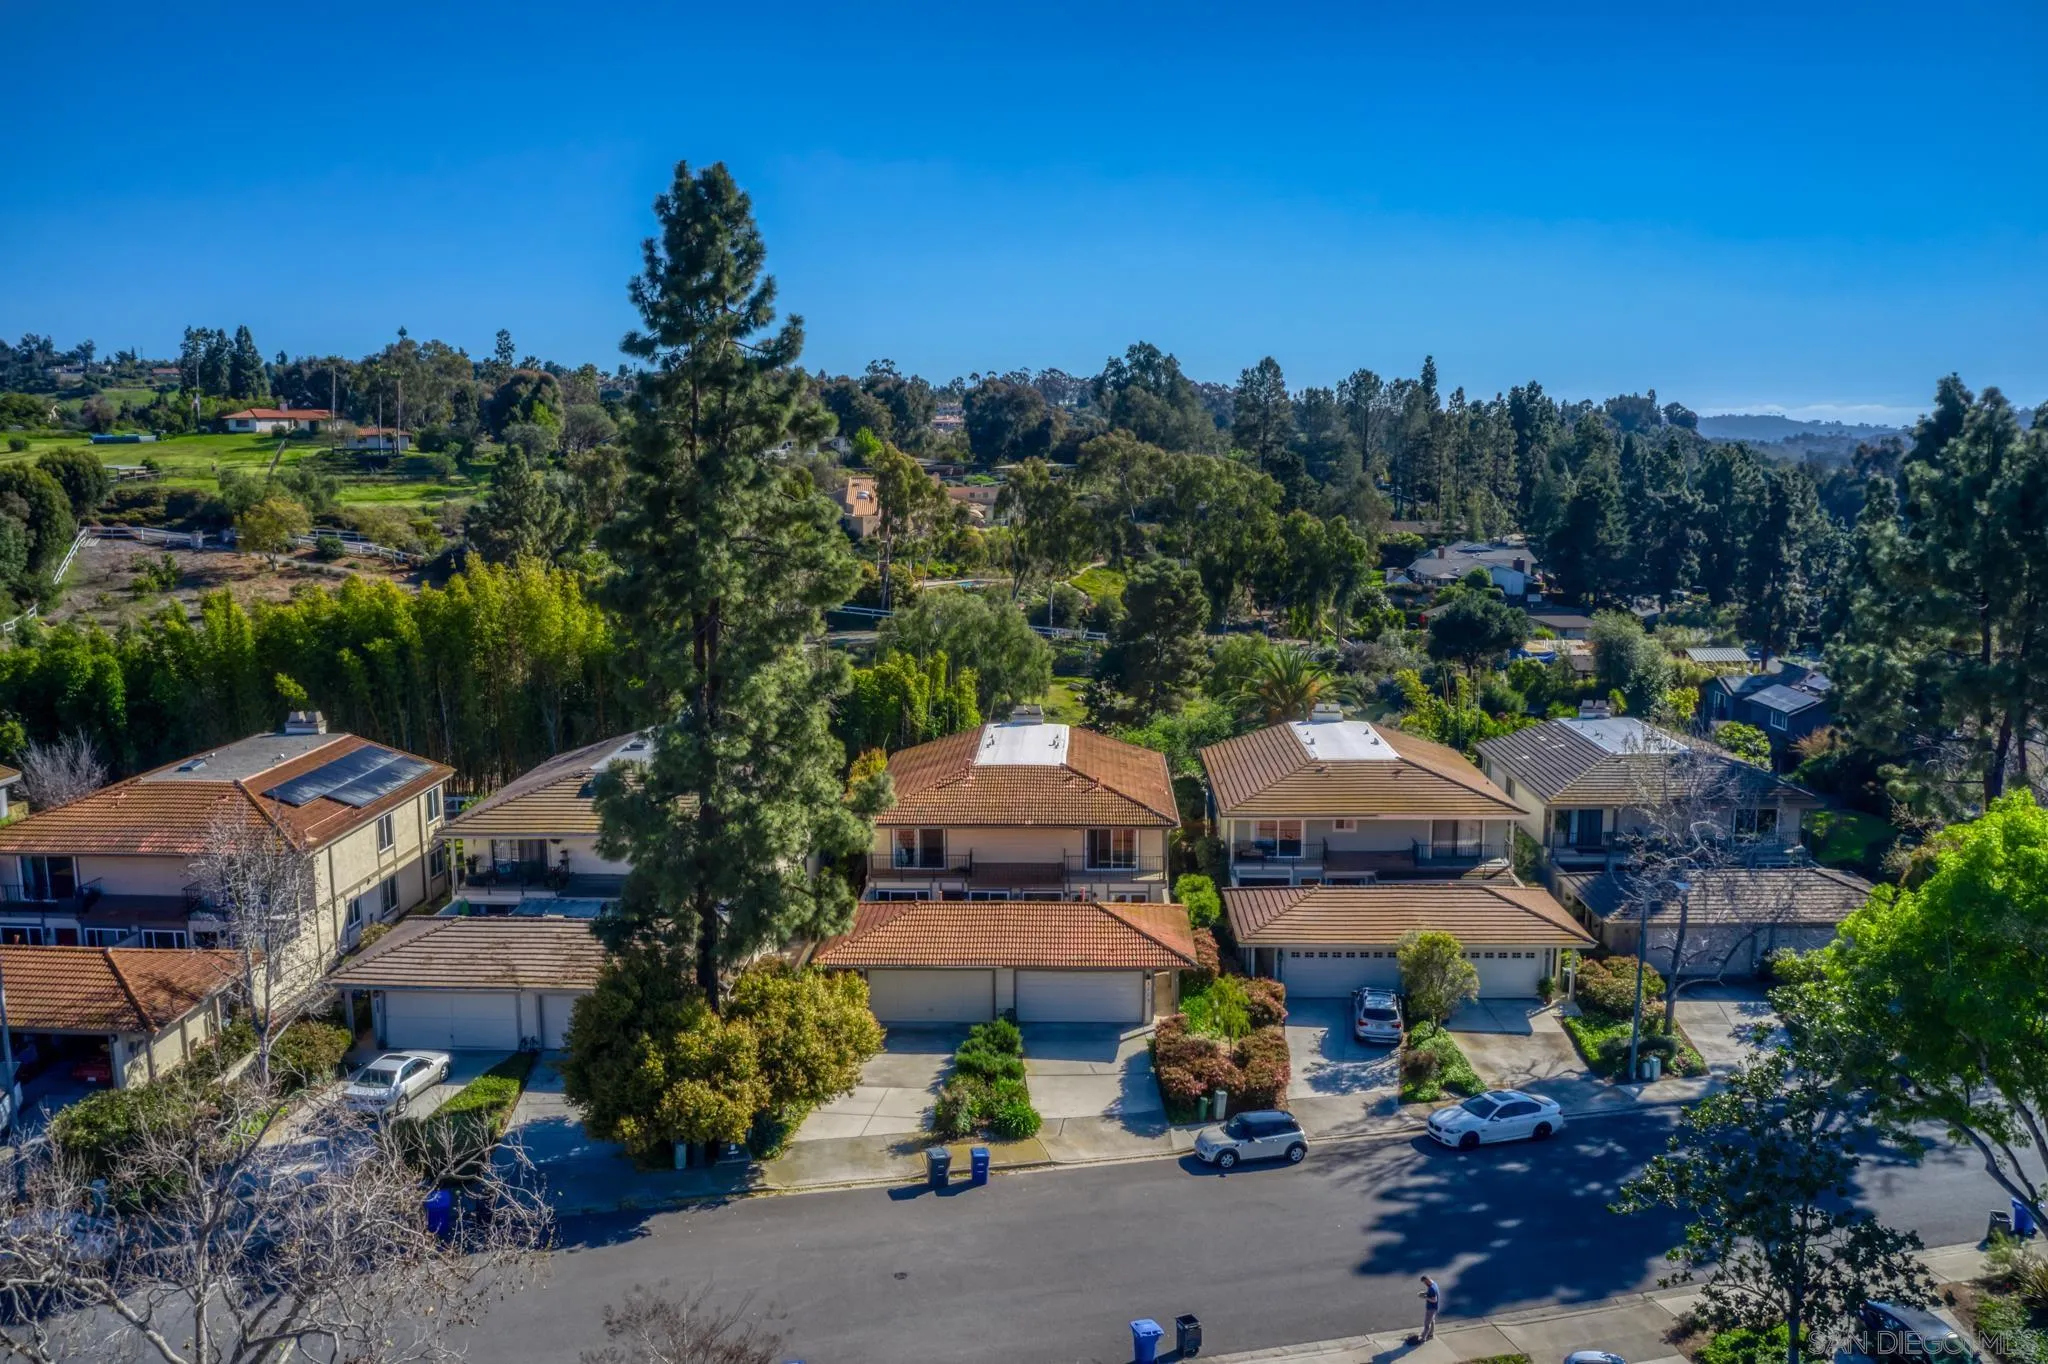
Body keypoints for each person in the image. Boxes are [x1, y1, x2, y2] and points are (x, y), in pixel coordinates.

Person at [1419, 1275, 1441, 1341]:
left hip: (1431, 1309)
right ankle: (1431, 1334)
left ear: (1427, 1280)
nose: (1425, 1284)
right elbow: (1432, 1294)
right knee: (1432, 1321)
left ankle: (1423, 1338)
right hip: (1435, 1308)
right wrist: (1425, 1293)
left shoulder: (1432, 1288)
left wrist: (1425, 1297)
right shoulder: (1434, 1284)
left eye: (1425, 1282)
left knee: (1427, 1324)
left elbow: (1434, 1300)